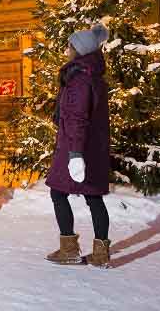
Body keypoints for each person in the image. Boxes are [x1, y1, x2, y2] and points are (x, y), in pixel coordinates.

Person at [45, 23, 112, 268]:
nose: (67, 50)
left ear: (79, 50)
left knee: (57, 192)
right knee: (93, 197)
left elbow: (77, 117)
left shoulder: (79, 79)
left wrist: (75, 153)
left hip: (77, 146)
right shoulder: (94, 76)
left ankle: (69, 250)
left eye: (70, 46)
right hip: (93, 146)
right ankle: (101, 255)